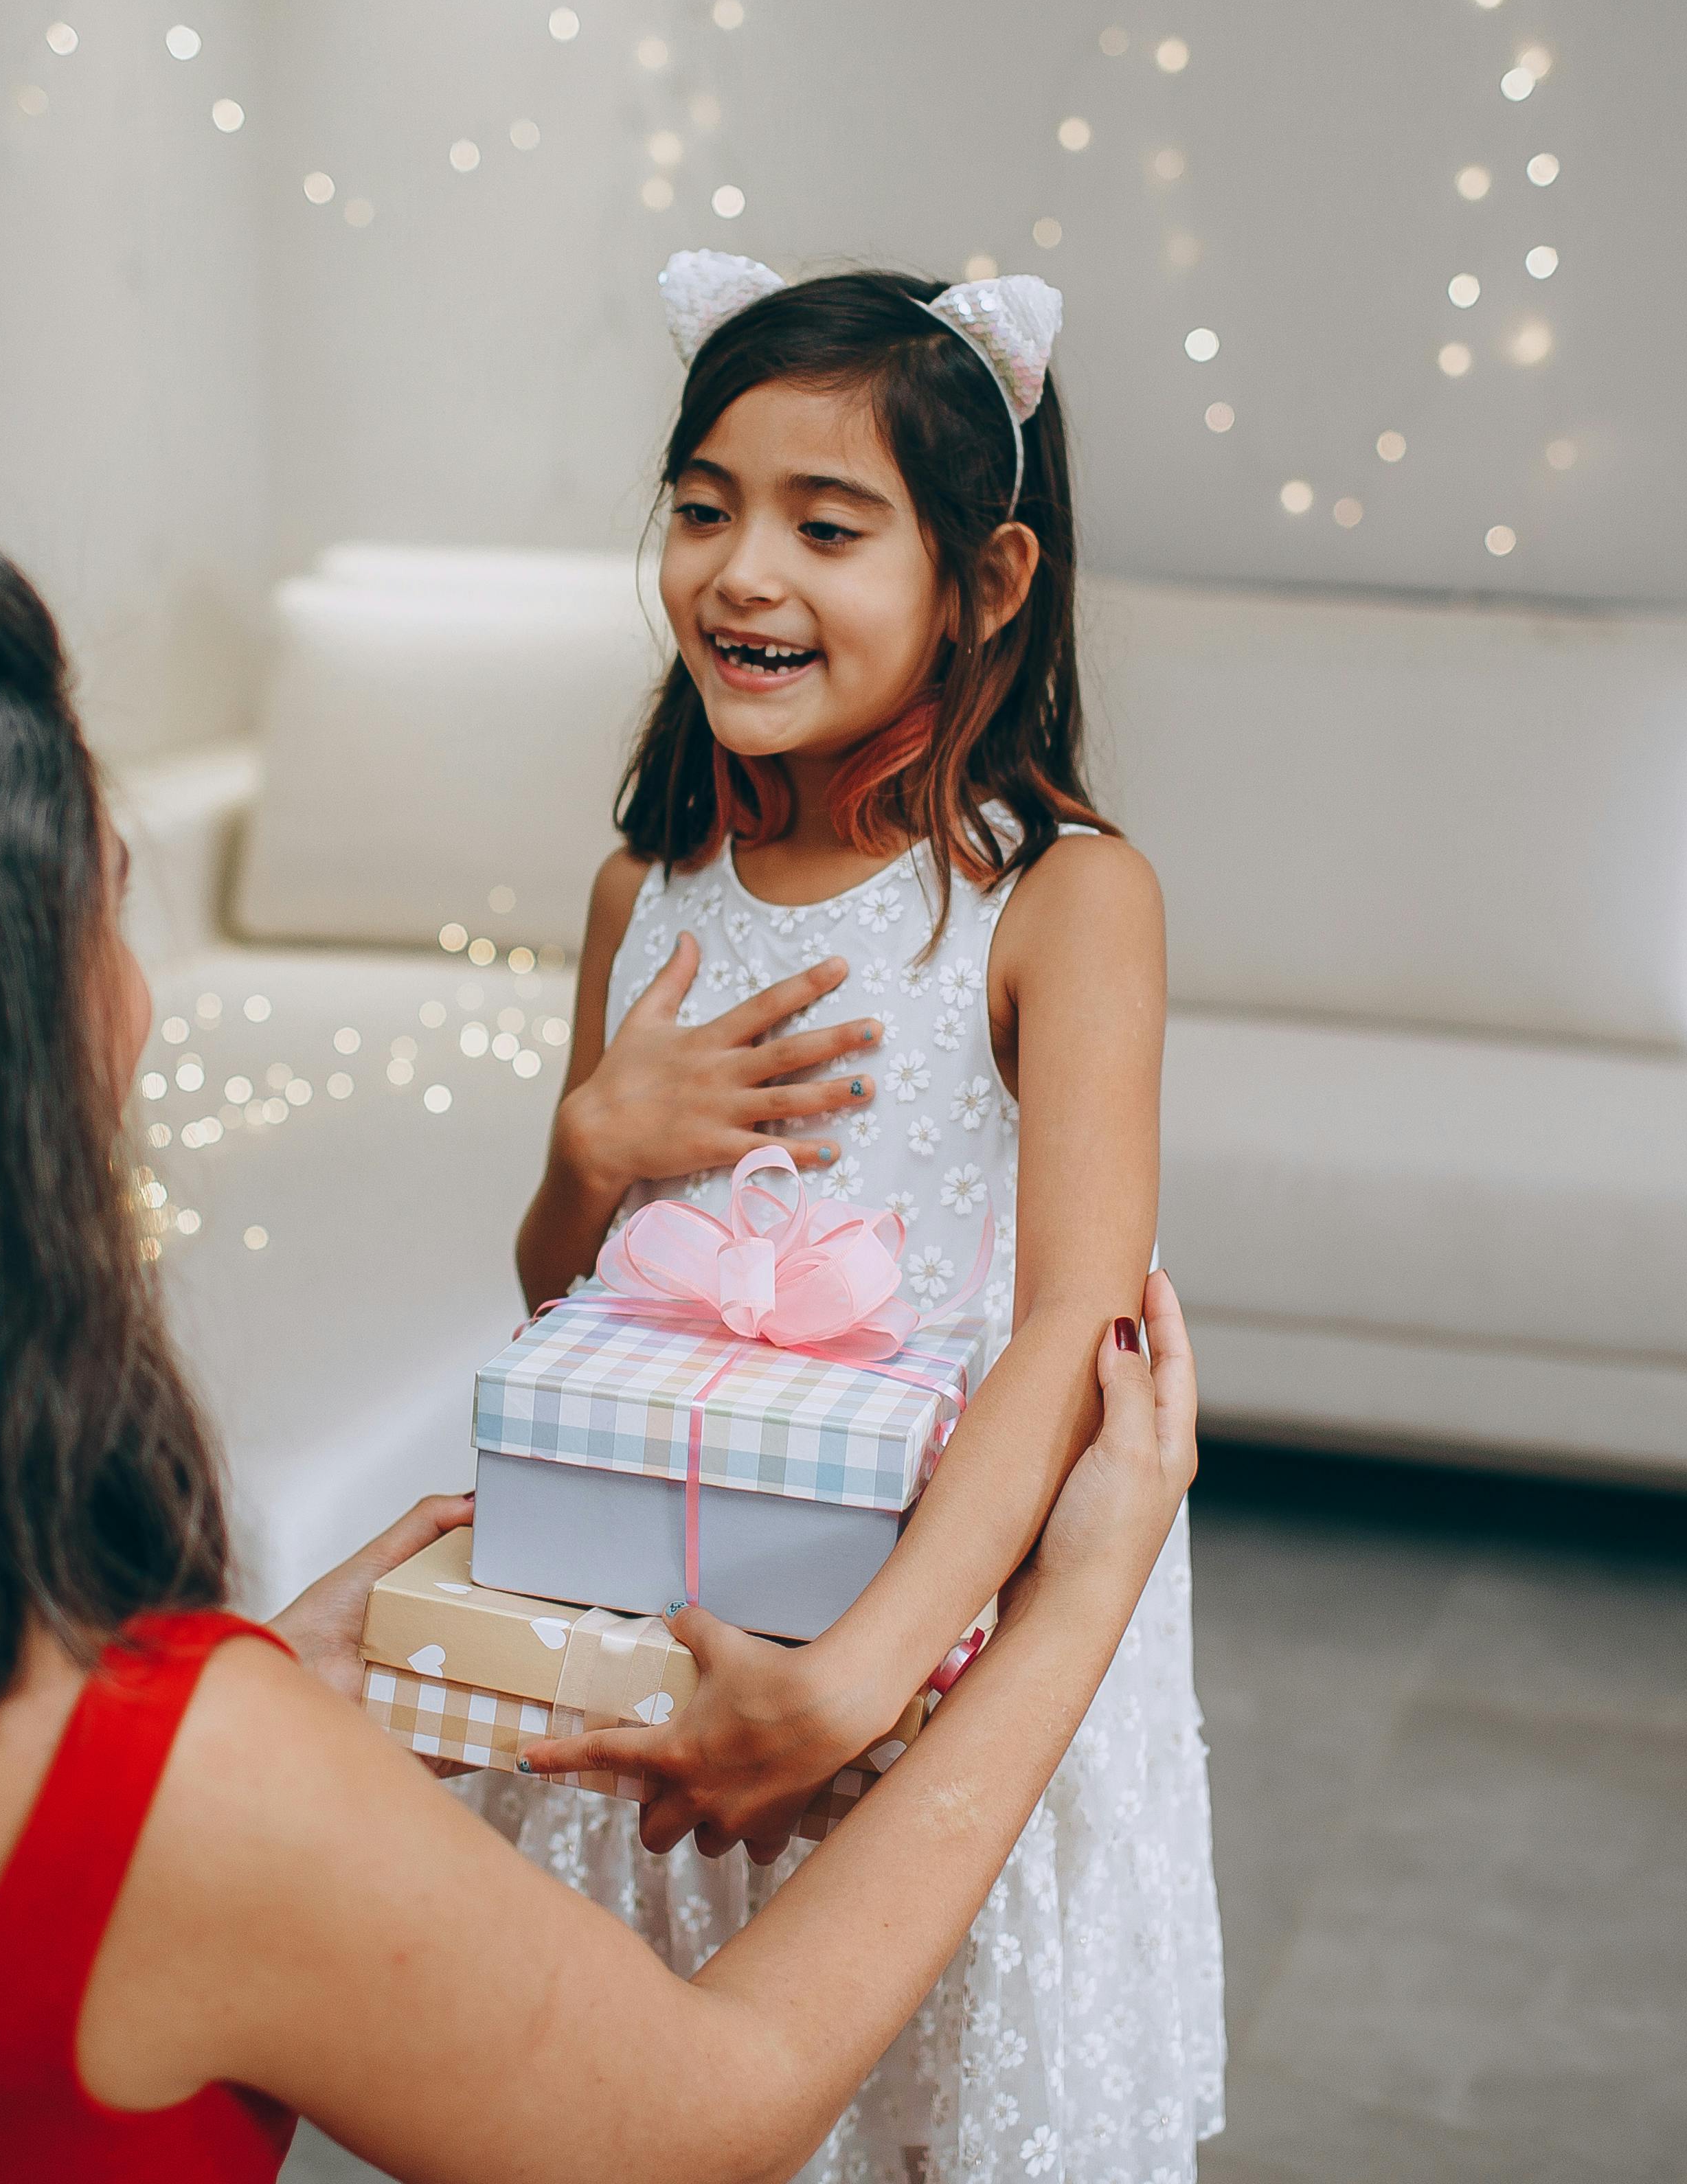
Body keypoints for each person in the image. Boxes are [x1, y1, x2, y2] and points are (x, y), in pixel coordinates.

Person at [0, 516, 1199, 2184]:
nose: (141, 1016)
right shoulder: (193, 1791)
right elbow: (712, 2114)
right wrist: (1067, 1611)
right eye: (112, 911)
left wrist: (264, 1682)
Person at [498, 259, 1225, 2182]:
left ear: (987, 582)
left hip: (941, 1627)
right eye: (706, 506)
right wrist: (595, 1140)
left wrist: (860, 1680)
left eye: (829, 526)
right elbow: (557, 1297)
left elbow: (1077, 1333)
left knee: (922, 2094)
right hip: (678, 1606)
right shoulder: (640, 890)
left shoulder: (1065, 905)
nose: (744, 573)